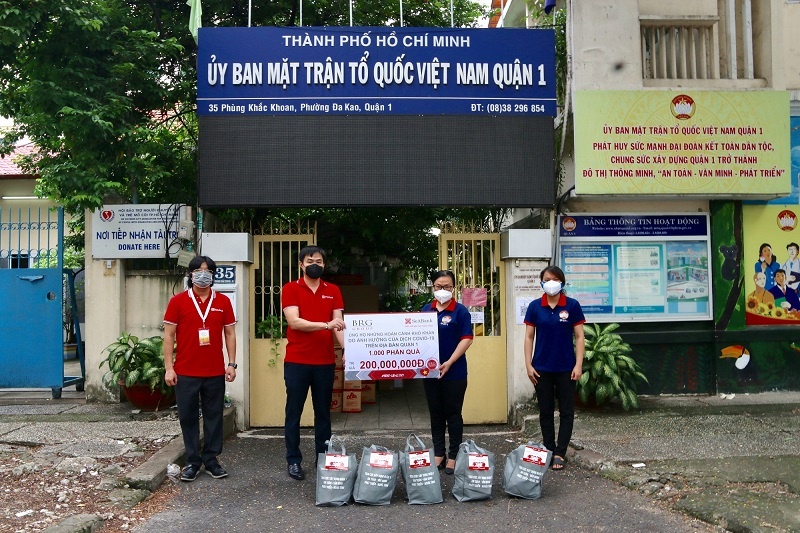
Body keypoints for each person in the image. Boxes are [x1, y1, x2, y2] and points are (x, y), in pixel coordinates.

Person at [163, 255, 237, 482]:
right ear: (190, 274)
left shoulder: (223, 301)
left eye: (208, 271)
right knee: (188, 417)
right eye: (198, 271)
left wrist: (231, 364)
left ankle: (211, 459)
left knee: (214, 416)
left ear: (213, 275)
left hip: (214, 371)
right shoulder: (177, 301)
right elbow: (168, 336)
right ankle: (192, 462)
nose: (203, 275)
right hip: (185, 371)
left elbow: (230, 333)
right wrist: (169, 368)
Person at [281, 246, 345, 481]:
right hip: (297, 362)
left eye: (318, 261)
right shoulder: (290, 289)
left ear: (324, 265)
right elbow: (295, 322)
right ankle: (293, 460)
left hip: (324, 362)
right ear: (301, 265)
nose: (314, 265)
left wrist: (347, 349)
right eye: (310, 261)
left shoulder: (333, 290)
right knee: (294, 413)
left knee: (323, 414)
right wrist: (325, 325)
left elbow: (338, 324)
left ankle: (323, 459)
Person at [523, 265, 585, 471]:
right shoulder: (535, 307)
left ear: (562, 282)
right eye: (547, 279)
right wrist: (528, 365)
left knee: (566, 411)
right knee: (545, 411)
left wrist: (578, 365)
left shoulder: (572, 305)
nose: (551, 283)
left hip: (567, 368)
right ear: (541, 282)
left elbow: (579, 336)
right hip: (541, 368)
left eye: (555, 279)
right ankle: (549, 450)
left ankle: (560, 452)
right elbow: (529, 337)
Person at [420, 270, 473, 475]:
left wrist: (449, 362)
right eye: (438, 286)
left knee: (453, 414)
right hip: (430, 372)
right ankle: (439, 453)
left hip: (455, 372)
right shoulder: (426, 310)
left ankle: (453, 455)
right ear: (433, 287)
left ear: (453, 288)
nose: (442, 290)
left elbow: (467, 339)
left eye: (447, 286)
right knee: (436, 413)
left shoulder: (461, 311)